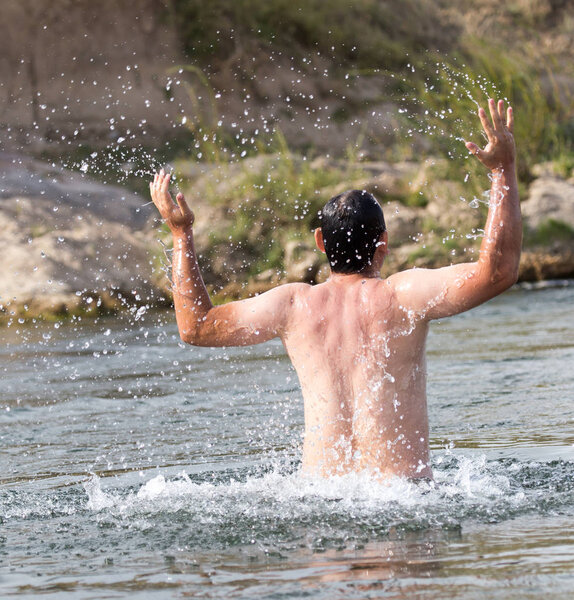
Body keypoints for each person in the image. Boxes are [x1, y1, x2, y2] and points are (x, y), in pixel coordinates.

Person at [150, 98, 521, 481]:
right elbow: (497, 273)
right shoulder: (403, 296)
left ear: (320, 243)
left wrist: (181, 234)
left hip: (319, 503)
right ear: (383, 245)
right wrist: (502, 170)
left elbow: (196, 327)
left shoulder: (292, 305)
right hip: (402, 500)